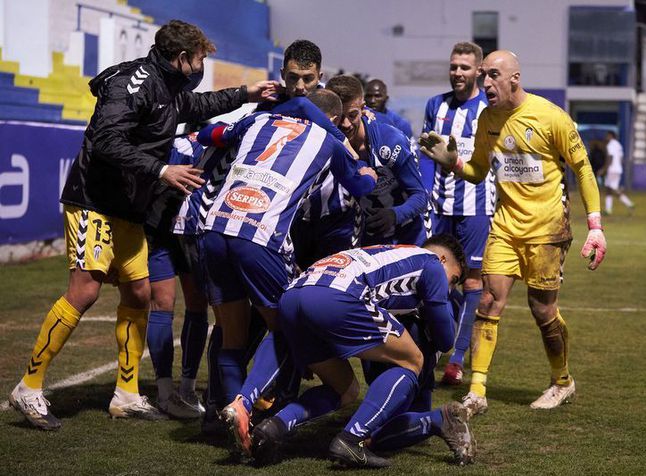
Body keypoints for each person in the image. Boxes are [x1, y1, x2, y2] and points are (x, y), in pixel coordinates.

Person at [8, 19, 280, 430]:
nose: (203, 66)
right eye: (201, 58)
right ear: (182, 58)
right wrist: (161, 170)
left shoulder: (169, 86)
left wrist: (246, 94)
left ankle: (127, 394)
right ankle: (28, 387)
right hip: (93, 200)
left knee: (139, 293)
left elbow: (199, 106)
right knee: (84, 291)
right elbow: (105, 140)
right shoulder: (133, 84)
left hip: (128, 206)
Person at [419, 50, 607, 414]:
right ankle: (477, 390)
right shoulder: (488, 118)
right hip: (505, 227)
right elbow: (477, 171)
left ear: (513, 79)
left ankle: (562, 382)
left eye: (492, 76)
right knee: (488, 301)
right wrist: (452, 162)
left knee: (542, 310)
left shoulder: (551, 117)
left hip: (547, 230)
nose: (485, 83)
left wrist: (595, 226)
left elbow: (583, 170)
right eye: (483, 76)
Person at [194, 89, 377, 456]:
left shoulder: (259, 120)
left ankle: (230, 418)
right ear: (337, 119)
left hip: (213, 229)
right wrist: (369, 172)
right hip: (258, 236)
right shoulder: (330, 139)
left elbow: (206, 135)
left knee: (232, 335)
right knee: (285, 327)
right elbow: (359, 186)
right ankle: (246, 404)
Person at [252, 236, 469, 468]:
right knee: (412, 360)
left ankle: (274, 426)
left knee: (344, 389)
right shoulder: (432, 263)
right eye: (453, 279)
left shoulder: (391, 253)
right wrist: (442, 308)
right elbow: (446, 340)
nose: (450, 288)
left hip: (295, 295)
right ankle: (351, 439)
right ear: (442, 258)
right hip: (340, 297)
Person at [419, 42, 495, 387]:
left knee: (473, 282)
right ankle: (436, 345)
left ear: (478, 70)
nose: (458, 73)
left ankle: (458, 359)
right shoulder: (436, 105)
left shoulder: (488, 109)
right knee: (434, 277)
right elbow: (424, 153)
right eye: (454, 67)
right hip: (439, 206)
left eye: (465, 67)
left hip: (476, 206)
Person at [144, 132, 210, 419]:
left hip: (159, 225)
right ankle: (180, 389)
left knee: (165, 306)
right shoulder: (215, 142)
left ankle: (170, 391)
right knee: (191, 306)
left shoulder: (172, 140)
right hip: (182, 230)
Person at [326, 75, 429, 247]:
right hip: (368, 234)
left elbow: (420, 197)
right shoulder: (327, 141)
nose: (345, 124)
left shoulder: (389, 140)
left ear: (362, 108)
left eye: (352, 115)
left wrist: (394, 215)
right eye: (338, 117)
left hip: (409, 233)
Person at [602, 131, 635, 215]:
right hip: (618, 169)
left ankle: (629, 203)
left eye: (607, 135)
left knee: (612, 189)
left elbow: (610, 157)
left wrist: (605, 168)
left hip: (612, 169)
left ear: (610, 136)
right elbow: (621, 158)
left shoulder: (610, 145)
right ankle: (608, 209)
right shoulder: (618, 145)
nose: (606, 137)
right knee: (609, 189)